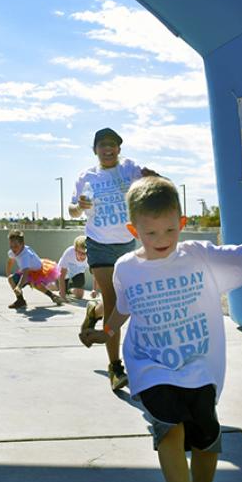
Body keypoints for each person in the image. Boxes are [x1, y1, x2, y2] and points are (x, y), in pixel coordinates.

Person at [81, 176, 242, 482]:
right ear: (133, 231)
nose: (161, 238)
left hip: (199, 366)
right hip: (150, 364)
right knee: (169, 428)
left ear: (181, 222)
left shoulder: (198, 255)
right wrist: (106, 333)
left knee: (207, 437)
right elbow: (125, 308)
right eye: (150, 232)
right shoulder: (127, 267)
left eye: (170, 229)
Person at [69, 127, 157, 391]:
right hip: (99, 244)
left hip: (128, 243)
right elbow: (73, 211)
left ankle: (92, 311)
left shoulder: (129, 169)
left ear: (119, 148)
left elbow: (154, 184)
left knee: (128, 301)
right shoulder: (87, 176)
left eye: (112, 145)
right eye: (102, 145)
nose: (108, 149)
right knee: (113, 301)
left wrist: (154, 177)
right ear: (95, 150)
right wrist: (79, 207)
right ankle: (115, 367)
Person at [4, 230, 63, 309]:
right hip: (27, 270)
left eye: (16, 246)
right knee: (11, 279)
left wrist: (19, 287)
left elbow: (25, 274)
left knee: (36, 284)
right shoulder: (12, 252)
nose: (13, 249)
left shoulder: (25, 255)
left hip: (37, 270)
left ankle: (53, 296)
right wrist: (8, 274)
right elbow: (10, 262)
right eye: (11, 246)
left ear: (22, 245)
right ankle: (20, 300)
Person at [56, 235, 90, 300]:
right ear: (75, 250)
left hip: (77, 273)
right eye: (80, 253)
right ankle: (53, 283)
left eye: (85, 253)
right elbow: (61, 276)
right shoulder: (69, 252)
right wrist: (63, 296)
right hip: (64, 274)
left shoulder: (90, 254)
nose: (83, 256)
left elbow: (95, 273)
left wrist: (94, 289)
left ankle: (70, 289)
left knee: (79, 296)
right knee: (55, 287)